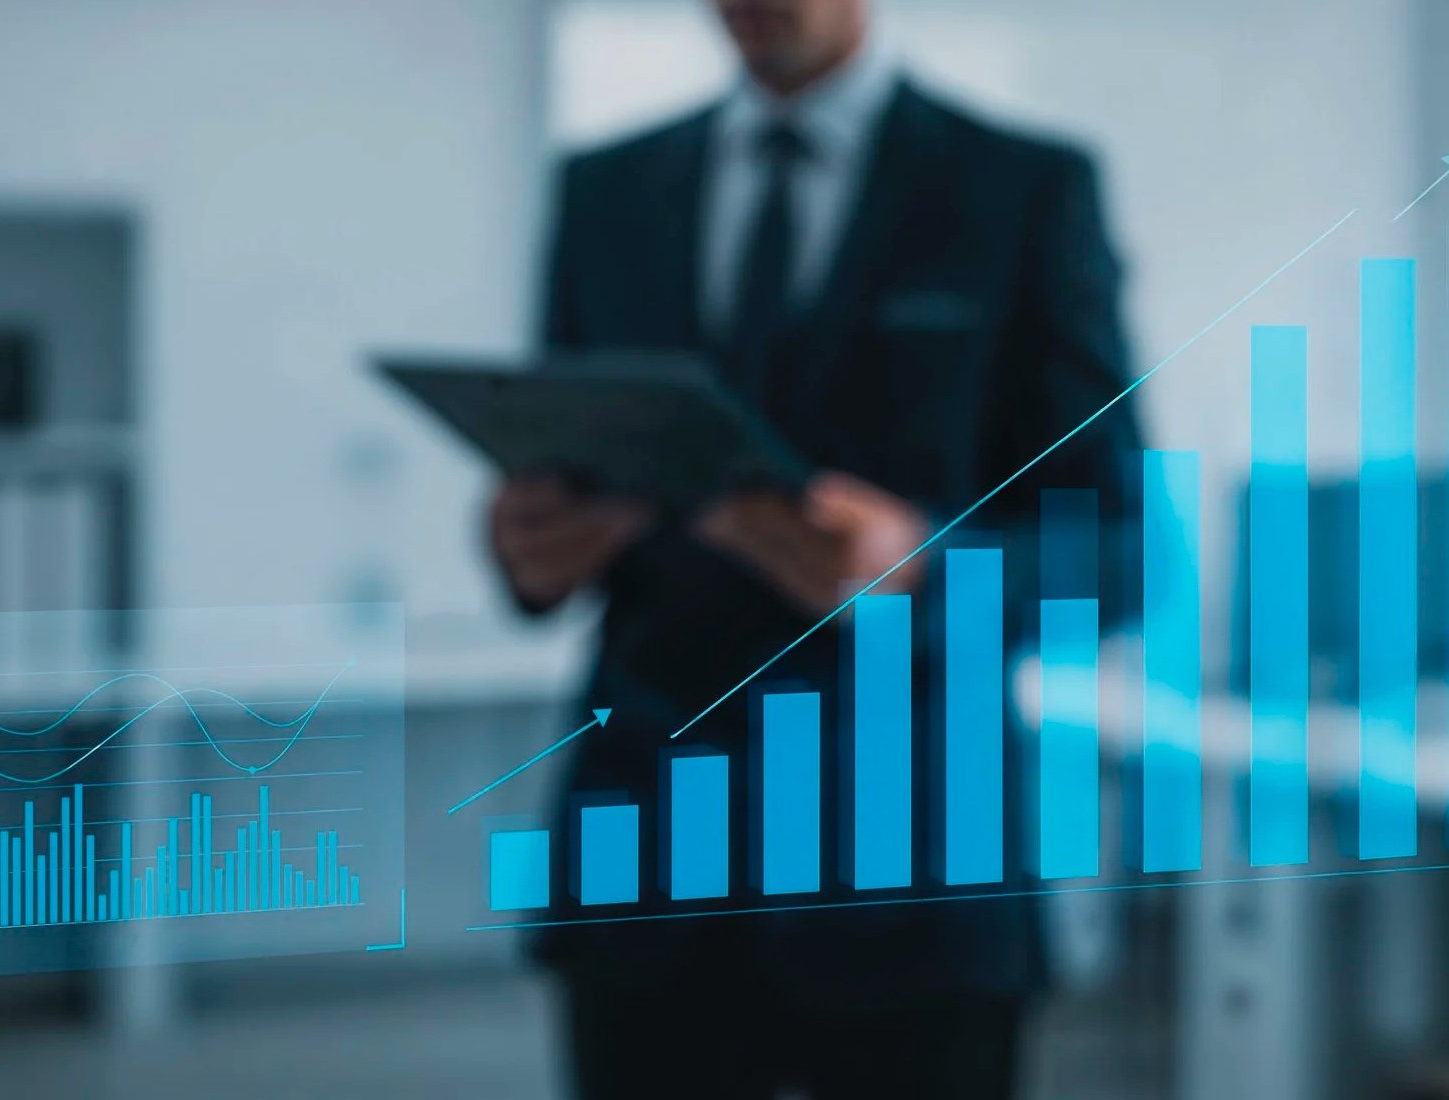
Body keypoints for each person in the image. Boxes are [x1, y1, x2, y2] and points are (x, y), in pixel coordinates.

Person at [485, 0, 1142, 1095]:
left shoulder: (1019, 189)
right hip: (650, 852)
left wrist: (920, 565)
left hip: (914, 857)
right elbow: (563, 463)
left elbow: (1110, 548)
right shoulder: (604, 192)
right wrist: (525, 542)